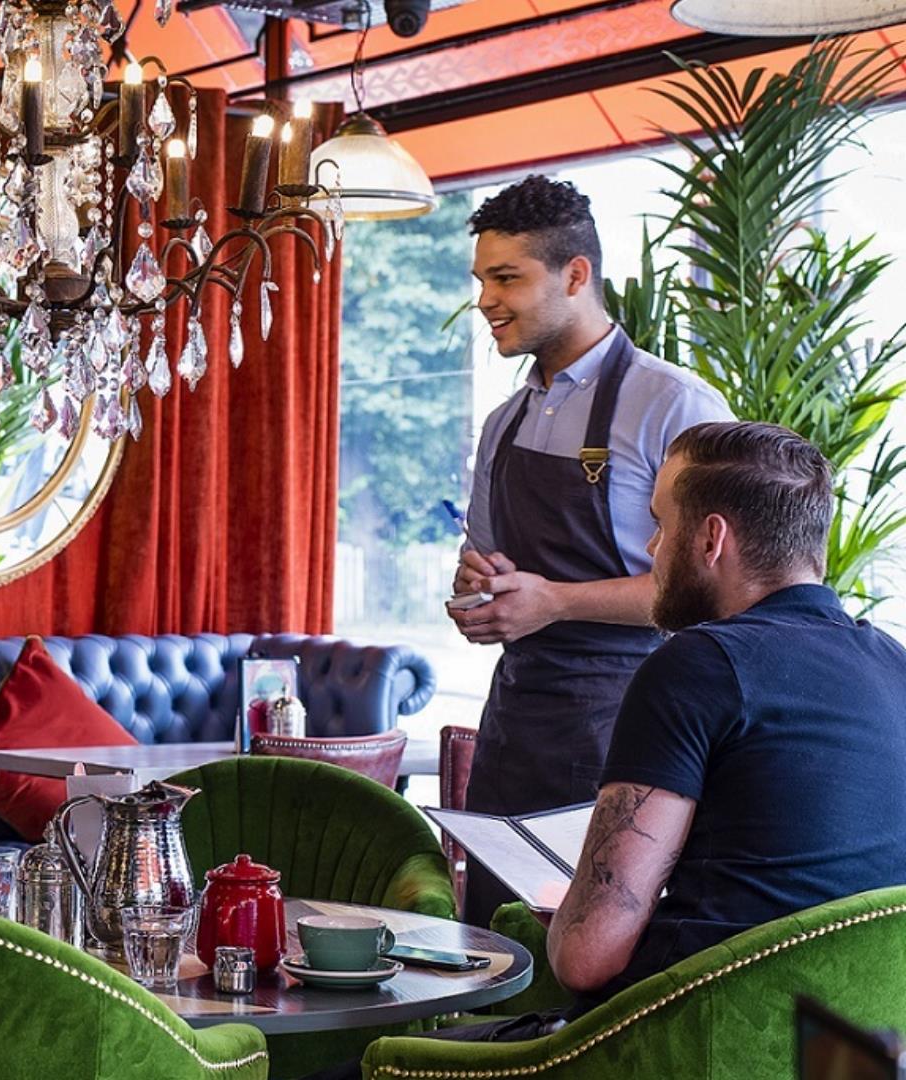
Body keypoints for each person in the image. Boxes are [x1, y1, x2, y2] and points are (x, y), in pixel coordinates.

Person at [303, 421, 906, 1078]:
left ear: (711, 539)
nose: (651, 549)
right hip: (830, 1057)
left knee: (355, 1068)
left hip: (667, 1049)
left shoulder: (698, 665)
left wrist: (572, 913)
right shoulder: (893, 666)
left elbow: (588, 955)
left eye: (661, 524)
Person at [449, 176, 732, 925]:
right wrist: (480, 592)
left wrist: (555, 602)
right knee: (493, 954)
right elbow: (477, 555)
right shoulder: (504, 421)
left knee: (591, 957)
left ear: (576, 275)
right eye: (482, 278)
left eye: (507, 278)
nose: (486, 299)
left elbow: (713, 593)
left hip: (628, 729)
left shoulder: (675, 406)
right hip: (513, 728)